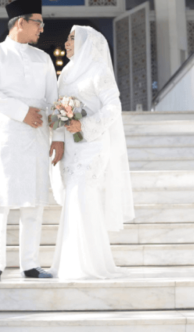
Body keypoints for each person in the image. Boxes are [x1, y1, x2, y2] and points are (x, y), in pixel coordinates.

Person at [0, 0, 64, 281]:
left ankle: (30, 264)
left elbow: (53, 100)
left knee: (33, 201)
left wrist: (58, 136)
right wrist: (22, 112)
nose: (42, 28)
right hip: (7, 132)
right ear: (20, 22)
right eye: (38, 22)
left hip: (37, 134)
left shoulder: (43, 58)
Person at [49, 25, 135, 279]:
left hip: (93, 145)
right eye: (67, 38)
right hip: (71, 148)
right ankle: (74, 261)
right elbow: (57, 109)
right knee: (75, 199)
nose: (66, 43)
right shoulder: (65, 74)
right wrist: (60, 137)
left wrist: (83, 125)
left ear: (88, 43)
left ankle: (84, 265)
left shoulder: (99, 71)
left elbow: (113, 107)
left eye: (72, 39)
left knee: (81, 195)